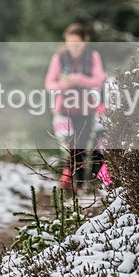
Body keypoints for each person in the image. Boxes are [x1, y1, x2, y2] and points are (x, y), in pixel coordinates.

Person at [44, 23, 106, 192]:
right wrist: (64, 84)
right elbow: (50, 84)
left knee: (83, 145)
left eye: (77, 43)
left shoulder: (93, 56)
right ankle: (73, 183)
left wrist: (79, 79)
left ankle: (81, 184)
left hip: (87, 108)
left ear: (84, 42)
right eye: (70, 43)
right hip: (64, 109)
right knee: (70, 146)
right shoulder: (59, 58)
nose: (73, 47)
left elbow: (99, 81)